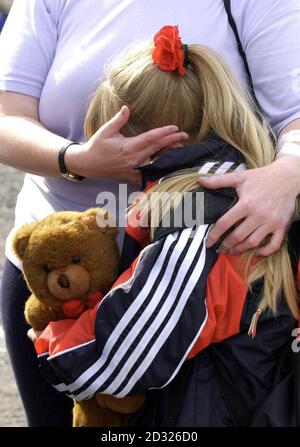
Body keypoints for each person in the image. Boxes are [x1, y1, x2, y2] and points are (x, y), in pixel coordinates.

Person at [0, 0, 300, 427]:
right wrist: (76, 158)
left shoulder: (195, 223)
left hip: (163, 368)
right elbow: (6, 114)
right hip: (68, 266)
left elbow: (126, 354)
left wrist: (55, 345)